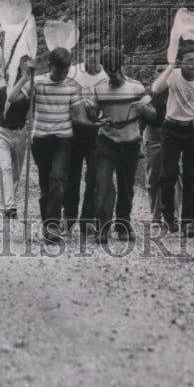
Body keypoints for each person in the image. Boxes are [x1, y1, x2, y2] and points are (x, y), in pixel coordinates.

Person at [8, 46, 81, 244]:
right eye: (59, 71)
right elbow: (12, 99)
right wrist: (25, 77)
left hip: (64, 140)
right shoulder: (37, 82)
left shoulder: (72, 86)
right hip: (41, 140)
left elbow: (77, 116)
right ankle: (48, 225)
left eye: (66, 71)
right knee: (45, 185)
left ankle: (52, 227)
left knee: (57, 179)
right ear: (50, 66)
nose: (62, 75)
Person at [93, 46, 156, 243]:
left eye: (115, 68)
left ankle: (123, 224)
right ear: (103, 67)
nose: (113, 72)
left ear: (122, 65)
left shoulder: (136, 87)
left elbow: (154, 114)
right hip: (106, 141)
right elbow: (94, 115)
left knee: (126, 186)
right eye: (108, 68)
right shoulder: (100, 88)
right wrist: (90, 113)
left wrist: (144, 109)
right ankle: (103, 226)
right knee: (102, 184)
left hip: (130, 142)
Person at [153, 42, 194, 236]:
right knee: (168, 174)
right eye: (189, 60)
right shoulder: (173, 75)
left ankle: (189, 222)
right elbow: (156, 88)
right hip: (171, 129)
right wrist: (171, 67)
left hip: (193, 130)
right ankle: (168, 216)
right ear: (181, 62)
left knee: (192, 178)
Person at [62, 34, 106, 240]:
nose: (92, 55)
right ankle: (69, 217)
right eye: (88, 51)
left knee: (95, 177)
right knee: (72, 177)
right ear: (82, 52)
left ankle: (87, 220)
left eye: (96, 51)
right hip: (73, 130)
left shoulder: (106, 76)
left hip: (96, 131)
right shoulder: (72, 72)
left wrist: (97, 110)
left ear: (101, 52)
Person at [0, 56, 31, 220]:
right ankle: (10, 206)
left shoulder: (26, 94)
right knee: (6, 167)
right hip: (2, 133)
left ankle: (10, 202)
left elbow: (31, 113)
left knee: (16, 172)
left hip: (20, 133)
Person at [141, 61, 169, 227]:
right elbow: (141, 118)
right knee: (153, 176)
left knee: (174, 175)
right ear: (154, 73)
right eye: (159, 70)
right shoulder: (149, 94)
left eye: (166, 71)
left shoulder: (176, 92)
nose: (162, 74)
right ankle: (156, 214)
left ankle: (173, 212)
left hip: (173, 136)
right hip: (153, 135)